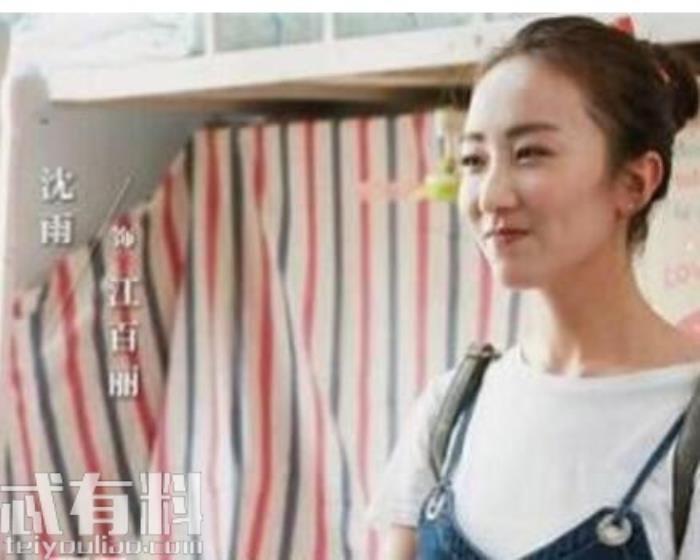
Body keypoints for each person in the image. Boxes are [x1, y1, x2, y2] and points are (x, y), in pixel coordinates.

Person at [369, 15, 700, 559]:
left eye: (530, 153)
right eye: (474, 160)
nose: (490, 195)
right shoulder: (450, 412)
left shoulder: (684, 416)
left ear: (635, 182)